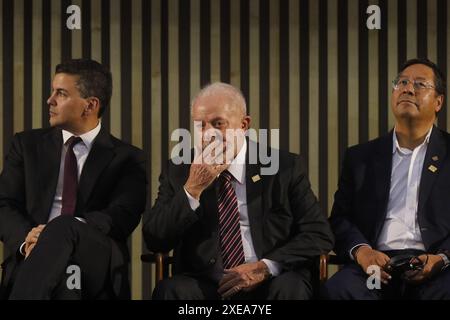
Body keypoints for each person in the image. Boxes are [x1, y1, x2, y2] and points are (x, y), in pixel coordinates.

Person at [143, 82, 333, 300]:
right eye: (200, 125)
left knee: (291, 289)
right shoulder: (179, 170)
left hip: (270, 278)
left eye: (218, 123)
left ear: (244, 125)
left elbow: (319, 234)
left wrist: (265, 267)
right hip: (206, 283)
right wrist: (192, 188)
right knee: (171, 291)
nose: (208, 135)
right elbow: (155, 238)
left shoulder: (283, 167)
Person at [0, 59, 147, 299]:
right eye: (52, 91)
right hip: (33, 252)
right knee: (66, 286)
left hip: (95, 258)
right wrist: (28, 240)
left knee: (64, 226)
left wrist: (60, 231)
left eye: (61, 93)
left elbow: (123, 215)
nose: (50, 100)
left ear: (89, 105)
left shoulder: (128, 158)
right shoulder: (26, 145)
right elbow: (4, 203)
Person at [323, 58, 450, 300]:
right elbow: (340, 218)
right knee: (338, 290)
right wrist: (362, 252)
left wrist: (442, 259)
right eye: (401, 82)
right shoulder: (360, 157)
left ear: (438, 102)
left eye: (420, 84)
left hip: (436, 267)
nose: (408, 88)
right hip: (376, 266)